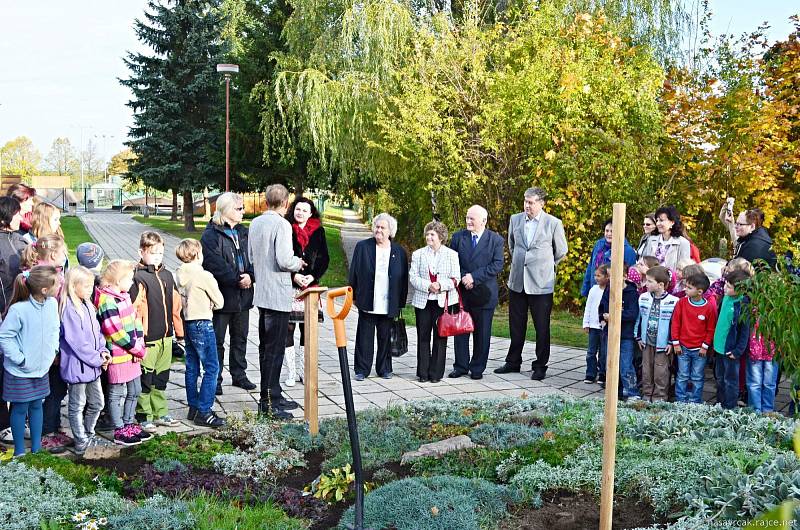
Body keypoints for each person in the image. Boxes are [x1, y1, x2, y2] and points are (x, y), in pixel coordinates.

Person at [496, 187, 567, 381]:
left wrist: (544, 265)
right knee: (516, 324)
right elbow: (512, 245)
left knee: (541, 326)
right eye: (526, 201)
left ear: (541, 203)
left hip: (541, 282)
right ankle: (513, 361)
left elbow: (560, 251)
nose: (527, 205)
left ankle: (540, 365)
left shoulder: (553, 223)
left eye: (532, 202)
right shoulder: (515, 219)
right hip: (518, 280)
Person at [249, 184, 305, 419]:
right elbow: (283, 260)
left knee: (267, 348)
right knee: (274, 351)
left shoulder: (255, 222)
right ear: (285, 203)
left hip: (262, 292)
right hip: (278, 295)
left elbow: (251, 256)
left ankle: (273, 393)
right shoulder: (281, 224)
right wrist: (298, 263)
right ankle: (269, 402)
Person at [0, 266, 60, 456]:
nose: (60, 285)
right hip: (21, 371)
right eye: (57, 283)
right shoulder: (19, 310)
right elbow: (4, 337)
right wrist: (21, 359)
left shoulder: (52, 304)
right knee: (20, 408)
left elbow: (54, 329)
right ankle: (19, 451)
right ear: (44, 289)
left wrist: (53, 351)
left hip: (41, 369)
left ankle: (37, 449)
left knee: (37, 405)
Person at [200, 192, 256, 395]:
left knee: (240, 337)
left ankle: (239, 375)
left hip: (244, 296)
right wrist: (236, 279)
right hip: (222, 295)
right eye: (239, 208)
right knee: (217, 340)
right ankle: (215, 378)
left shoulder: (244, 232)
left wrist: (250, 275)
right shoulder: (211, 234)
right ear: (225, 210)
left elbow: (254, 257)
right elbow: (213, 263)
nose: (243, 211)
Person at [129, 232, 183, 432]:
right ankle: (143, 415)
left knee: (161, 378)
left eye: (160, 253)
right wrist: (137, 338)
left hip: (166, 338)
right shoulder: (137, 277)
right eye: (153, 253)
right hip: (147, 340)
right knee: (145, 379)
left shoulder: (168, 275)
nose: (157, 257)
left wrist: (179, 333)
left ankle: (161, 412)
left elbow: (176, 306)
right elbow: (133, 310)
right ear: (141, 252)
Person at [24, 235, 70, 453]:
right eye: (63, 253)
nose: (66, 256)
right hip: (45, 346)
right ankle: (45, 433)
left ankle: (53, 426)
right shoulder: (46, 279)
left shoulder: (46, 274)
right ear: (53, 255)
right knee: (50, 389)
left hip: (51, 342)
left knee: (56, 388)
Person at [349, 212, 409, 381]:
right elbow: (353, 272)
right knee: (364, 338)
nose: (379, 230)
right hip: (368, 299)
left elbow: (403, 279)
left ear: (391, 231)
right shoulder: (363, 247)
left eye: (383, 227)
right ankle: (362, 369)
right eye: (377, 226)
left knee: (385, 337)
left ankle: (384, 368)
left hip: (389, 302)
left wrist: (400, 303)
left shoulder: (399, 251)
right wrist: (352, 294)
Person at [96, 260, 149, 446]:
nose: (132, 282)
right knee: (116, 393)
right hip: (119, 356)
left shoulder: (124, 296)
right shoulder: (107, 301)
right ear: (118, 280)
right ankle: (118, 428)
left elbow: (136, 321)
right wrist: (136, 348)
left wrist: (139, 345)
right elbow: (115, 332)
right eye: (129, 279)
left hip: (134, 353)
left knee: (135, 390)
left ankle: (128, 423)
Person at [59, 266, 111, 455]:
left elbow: (97, 334)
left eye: (92, 286)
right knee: (77, 405)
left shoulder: (88, 305)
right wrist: (97, 358)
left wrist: (103, 351)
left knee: (97, 403)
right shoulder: (69, 310)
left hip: (93, 366)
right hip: (78, 367)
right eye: (87, 286)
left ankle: (88, 434)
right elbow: (77, 343)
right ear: (74, 286)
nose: (91, 289)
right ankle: (81, 440)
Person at [175, 238, 225, 428]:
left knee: (192, 366)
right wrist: (210, 303)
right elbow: (219, 301)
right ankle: (204, 410)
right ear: (197, 254)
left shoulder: (179, 274)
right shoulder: (204, 276)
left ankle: (193, 406)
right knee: (212, 368)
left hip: (188, 322)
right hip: (203, 322)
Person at [449, 205, 503, 380]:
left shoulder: (495, 240)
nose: (468, 221)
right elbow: (451, 261)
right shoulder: (458, 237)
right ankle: (460, 366)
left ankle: (477, 367)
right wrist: (465, 277)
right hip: (462, 293)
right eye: (467, 217)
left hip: (484, 294)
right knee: (460, 331)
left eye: (472, 218)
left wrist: (474, 277)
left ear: (484, 221)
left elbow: (497, 265)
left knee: (482, 333)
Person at [284, 197, 330, 387]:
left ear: (311, 213)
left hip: (310, 288)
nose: (300, 212)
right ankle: (291, 373)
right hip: (290, 285)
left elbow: (324, 258)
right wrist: (293, 276)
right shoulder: (286, 228)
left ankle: (303, 371)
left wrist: (312, 276)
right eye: (297, 209)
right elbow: (282, 256)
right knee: (288, 328)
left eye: (304, 210)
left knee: (307, 329)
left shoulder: (319, 231)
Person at [409, 220, 460, 383]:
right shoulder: (418, 254)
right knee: (423, 336)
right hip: (423, 301)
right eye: (427, 234)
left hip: (443, 303)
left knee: (440, 337)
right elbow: (413, 277)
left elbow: (455, 279)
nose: (429, 237)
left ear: (441, 236)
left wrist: (440, 285)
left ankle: (436, 374)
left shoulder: (452, 255)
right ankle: (423, 373)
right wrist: (428, 286)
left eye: (432, 234)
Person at [0, 197, 26, 444]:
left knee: (18, 370)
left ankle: (21, 416)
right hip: (3, 313)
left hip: (22, 312)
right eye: (17, 214)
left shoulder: (21, 241)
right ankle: (3, 424)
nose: (21, 218)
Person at [670, 273, 718, 404]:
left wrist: (705, 346)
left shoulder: (709, 307)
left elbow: (711, 329)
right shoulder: (681, 303)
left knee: (697, 377)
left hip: (699, 350)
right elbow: (675, 323)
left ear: (700, 291)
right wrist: (676, 343)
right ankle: (680, 401)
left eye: (689, 287)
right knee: (682, 376)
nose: (685, 289)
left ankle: (695, 402)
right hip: (683, 347)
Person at [635, 266, 679, 402]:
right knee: (647, 370)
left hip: (663, 344)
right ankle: (647, 395)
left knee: (661, 372)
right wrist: (638, 337)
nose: (645, 284)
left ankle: (660, 397)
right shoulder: (643, 298)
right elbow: (639, 318)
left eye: (649, 281)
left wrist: (671, 342)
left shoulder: (673, 301)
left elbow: (674, 324)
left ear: (660, 285)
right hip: (646, 342)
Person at [598, 264, 641, 399]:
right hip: (609, 333)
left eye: (613, 276)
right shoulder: (609, 289)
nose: (610, 279)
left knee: (625, 365)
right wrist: (603, 316)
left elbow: (632, 314)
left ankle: (632, 392)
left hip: (625, 335)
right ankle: (615, 391)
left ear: (624, 276)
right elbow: (602, 306)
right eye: (609, 276)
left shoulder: (631, 292)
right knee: (609, 363)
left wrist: (615, 316)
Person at [713, 270, 750, 410]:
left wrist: (738, 351)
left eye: (729, 286)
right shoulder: (725, 298)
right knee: (720, 378)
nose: (725, 288)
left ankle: (730, 407)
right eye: (725, 285)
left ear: (740, 289)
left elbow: (744, 331)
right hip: (719, 347)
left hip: (731, 350)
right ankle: (719, 404)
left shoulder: (742, 305)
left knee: (730, 381)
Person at [580, 218, 636, 297]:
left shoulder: (627, 250)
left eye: (612, 231)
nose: (609, 234)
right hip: (595, 289)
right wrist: (586, 290)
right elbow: (590, 267)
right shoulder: (599, 244)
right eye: (607, 231)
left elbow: (629, 276)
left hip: (613, 294)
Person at [720, 205, 777, 270]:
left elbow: (736, 271)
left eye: (740, 224)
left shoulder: (754, 247)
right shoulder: (756, 236)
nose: (736, 226)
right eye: (736, 223)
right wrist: (731, 223)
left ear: (752, 226)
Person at [641, 205, 690, 270]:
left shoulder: (683, 243)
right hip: (650, 279)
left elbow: (684, 270)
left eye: (661, 220)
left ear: (672, 222)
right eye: (657, 220)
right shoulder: (651, 240)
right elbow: (643, 262)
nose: (658, 223)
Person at [582, 264, 608, 384]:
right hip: (593, 326)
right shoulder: (593, 289)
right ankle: (590, 373)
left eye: (599, 275)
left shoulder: (609, 290)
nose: (596, 278)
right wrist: (586, 323)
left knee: (603, 352)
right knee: (591, 352)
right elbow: (588, 307)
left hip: (604, 327)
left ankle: (602, 374)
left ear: (607, 277)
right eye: (595, 275)